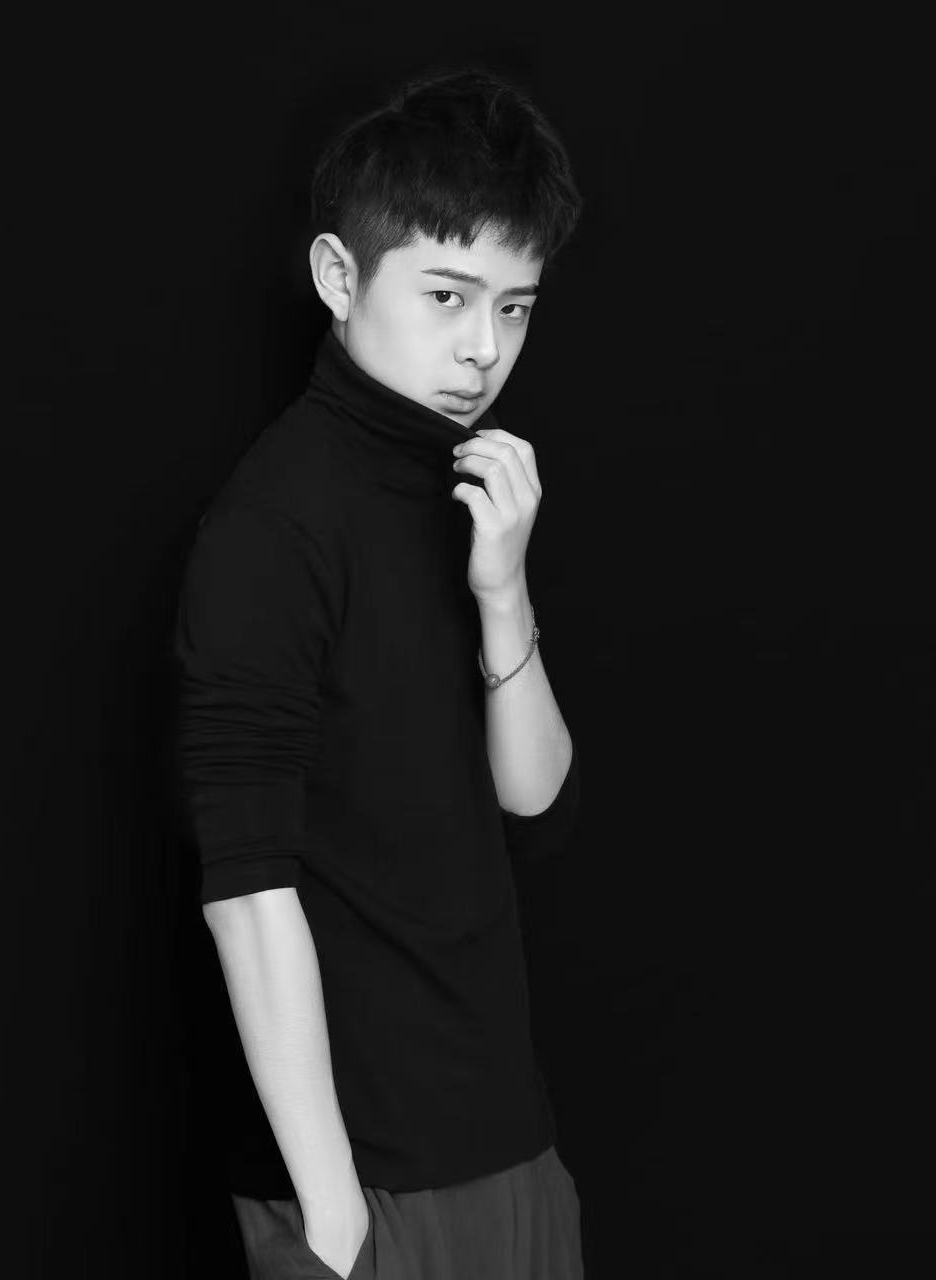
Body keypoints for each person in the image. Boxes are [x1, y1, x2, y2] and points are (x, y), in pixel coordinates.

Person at [173, 67, 586, 1279]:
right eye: (447, 296)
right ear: (339, 277)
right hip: (367, 1184)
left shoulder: (469, 491)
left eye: (515, 307)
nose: (483, 348)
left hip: (507, 1140)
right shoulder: (274, 525)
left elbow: (532, 794)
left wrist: (503, 589)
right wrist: (333, 1218)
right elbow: (246, 887)